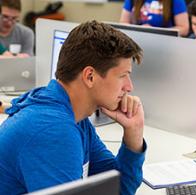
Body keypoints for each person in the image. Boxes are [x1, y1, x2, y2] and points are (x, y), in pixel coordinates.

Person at [0, 20, 146, 195]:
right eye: (123, 76)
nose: (129, 87)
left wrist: (134, 132)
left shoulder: (75, 116)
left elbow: (118, 189)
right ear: (90, 76)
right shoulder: (53, 130)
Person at [120, 0, 189, 36]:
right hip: (138, 41)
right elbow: (123, 23)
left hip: (166, 44)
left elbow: (184, 28)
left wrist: (154, 31)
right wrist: (140, 30)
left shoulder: (176, 1)